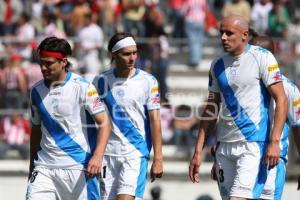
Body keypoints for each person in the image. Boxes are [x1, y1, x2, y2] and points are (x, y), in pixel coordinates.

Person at [188, 15, 288, 200]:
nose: (223, 38)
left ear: (245, 35)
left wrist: (274, 142)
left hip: (253, 145)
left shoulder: (262, 57)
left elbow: (281, 99)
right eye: (221, 33)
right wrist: (197, 151)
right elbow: (211, 108)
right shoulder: (217, 64)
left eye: (229, 33)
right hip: (224, 147)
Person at [26, 36, 111, 200]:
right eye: (41, 62)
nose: (43, 68)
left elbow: (105, 123)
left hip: (78, 167)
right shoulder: (35, 91)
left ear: (63, 62)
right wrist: (32, 165)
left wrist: (98, 156)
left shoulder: (83, 87)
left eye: (48, 63)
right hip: (45, 168)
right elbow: (36, 129)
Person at [93, 32, 163, 200]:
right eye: (126, 54)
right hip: (108, 154)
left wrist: (158, 158)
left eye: (134, 52)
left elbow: (155, 120)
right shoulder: (100, 81)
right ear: (114, 55)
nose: (132, 58)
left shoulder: (148, 81)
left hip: (135, 152)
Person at [249, 33, 300, 199]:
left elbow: (298, 128)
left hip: (272, 162)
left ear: (268, 57)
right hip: (244, 158)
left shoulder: (289, 89)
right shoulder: (243, 86)